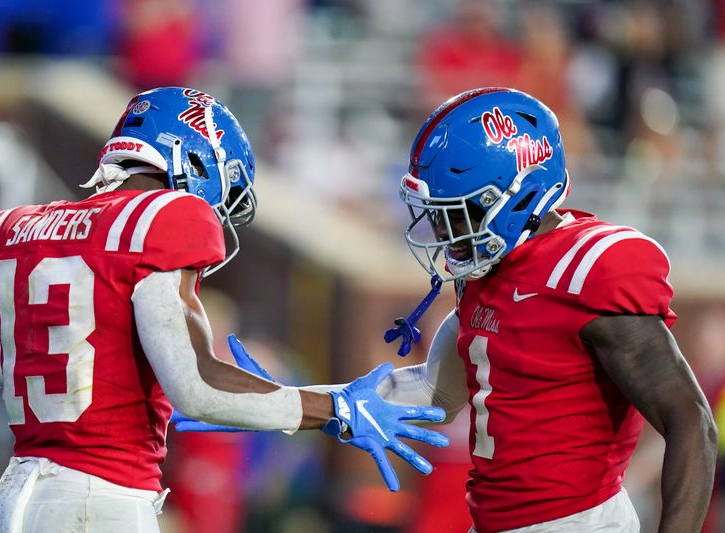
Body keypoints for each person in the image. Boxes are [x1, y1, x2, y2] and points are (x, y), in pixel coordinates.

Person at [186, 87, 719, 533]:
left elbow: (691, 421)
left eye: (458, 213)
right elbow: (433, 394)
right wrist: (286, 403)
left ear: (517, 194)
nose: (444, 233)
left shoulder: (589, 269)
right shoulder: (491, 273)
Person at [0, 87, 449, 533]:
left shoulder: (12, 230)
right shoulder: (164, 218)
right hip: (100, 499)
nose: (215, 217)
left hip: (12, 497)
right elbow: (197, 385)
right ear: (193, 160)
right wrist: (333, 409)